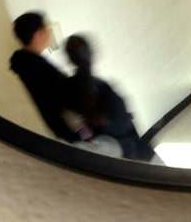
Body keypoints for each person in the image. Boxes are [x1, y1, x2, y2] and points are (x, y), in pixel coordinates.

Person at [63, 34, 144, 159]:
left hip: (103, 148)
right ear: (92, 54)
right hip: (123, 148)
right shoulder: (104, 89)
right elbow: (124, 128)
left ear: (69, 59)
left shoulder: (68, 88)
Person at [9, 12, 83, 142]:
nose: (50, 32)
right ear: (39, 34)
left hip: (59, 127)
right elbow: (67, 95)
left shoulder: (24, 63)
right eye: (47, 29)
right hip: (71, 128)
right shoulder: (38, 67)